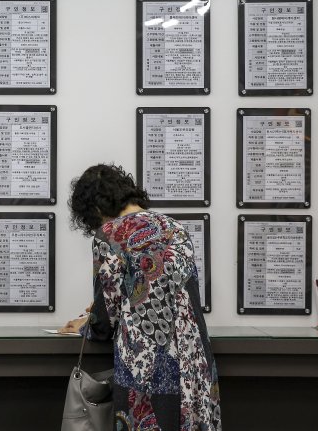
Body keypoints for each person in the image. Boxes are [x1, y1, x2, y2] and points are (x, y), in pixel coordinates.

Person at [61, 164, 221, 430]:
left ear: (96, 208)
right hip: (195, 364)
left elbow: (104, 320)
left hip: (146, 369)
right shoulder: (175, 228)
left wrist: (85, 323)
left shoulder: (110, 235)